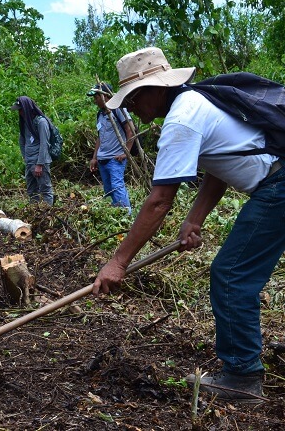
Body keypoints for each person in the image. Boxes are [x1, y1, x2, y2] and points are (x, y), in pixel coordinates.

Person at [93, 47, 284, 404]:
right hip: (276, 180)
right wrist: (194, 219)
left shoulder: (182, 120)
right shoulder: (198, 102)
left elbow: (159, 201)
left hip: (278, 187)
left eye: (133, 98)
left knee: (231, 275)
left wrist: (118, 262)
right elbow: (221, 163)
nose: (130, 108)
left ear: (158, 89)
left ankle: (242, 377)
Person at [87, 82, 135, 213]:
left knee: (117, 186)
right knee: (108, 190)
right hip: (102, 159)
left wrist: (126, 153)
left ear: (105, 96)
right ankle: (114, 216)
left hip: (116, 158)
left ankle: (125, 216)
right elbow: (100, 137)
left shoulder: (118, 109)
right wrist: (94, 157)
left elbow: (131, 130)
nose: (95, 100)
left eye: (96, 97)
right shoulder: (100, 114)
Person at [11, 96, 54, 204]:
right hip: (29, 162)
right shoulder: (25, 123)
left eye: (21, 109)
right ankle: (35, 213)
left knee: (45, 190)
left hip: (39, 162)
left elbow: (45, 144)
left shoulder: (41, 122)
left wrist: (39, 164)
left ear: (26, 108)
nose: (20, 112)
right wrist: (26, 158)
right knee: (32, 191)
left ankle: (49, 214)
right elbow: (22, 140)